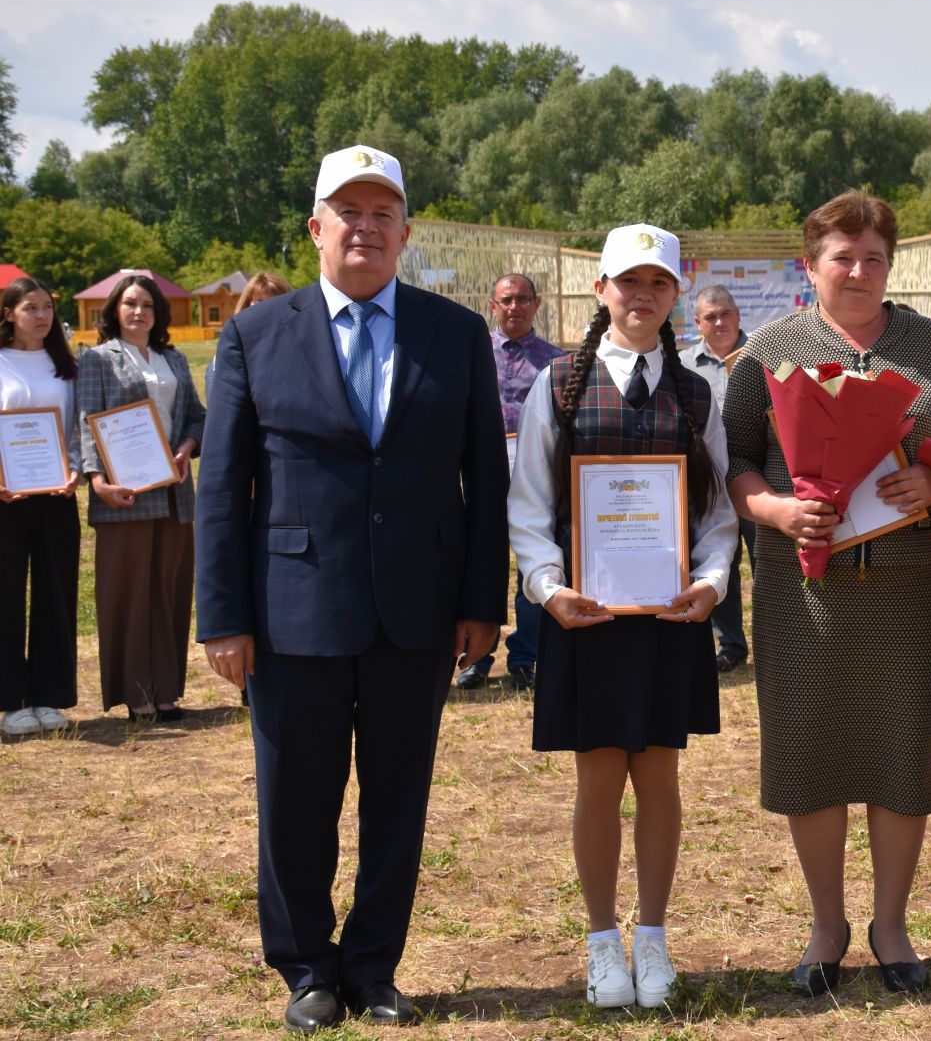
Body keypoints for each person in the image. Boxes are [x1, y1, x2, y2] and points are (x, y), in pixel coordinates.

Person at [196, 144, 509, 1034]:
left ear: (405, 231)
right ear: (316, 228)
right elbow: (222, 488)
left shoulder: (454, 334)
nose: (365, 227)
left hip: (418, 612)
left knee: (397, 799)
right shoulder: (255, 335)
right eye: (349, 211)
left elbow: (483, 477)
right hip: (292, 612)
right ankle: (306, 970)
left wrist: (483, 603)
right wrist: (221, 616)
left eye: (383, 213)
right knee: (293, 801)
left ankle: (373, 967)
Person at [722, 192, 931, 995]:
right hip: (808, 595)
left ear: (891, 264)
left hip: (908, 591)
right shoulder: (768, 351)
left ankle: (892, 924)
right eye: (843, 256)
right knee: (813, 753)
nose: (860, 271)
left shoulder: (930, 345)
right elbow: (733, 464)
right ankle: (827, 925)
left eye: (874, 257)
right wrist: (773, 508)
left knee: (903, 753)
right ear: (811, 266)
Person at [507, 225, 738, 1007]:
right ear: (600, 290)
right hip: (587, 617)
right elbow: (530, 502)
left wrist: (710, 583)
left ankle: (654, 937)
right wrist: (545, 587)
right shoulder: (560, 382)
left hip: (669, 618)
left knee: (662, 778)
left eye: (659, 284)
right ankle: (603, 941)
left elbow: (716, 514)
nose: (642, 297)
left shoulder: (697, 390)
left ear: (676, 294)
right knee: (599, 777)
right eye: (628, 283)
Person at [76, 273, 205, 724]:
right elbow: (86, 420)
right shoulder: (97, 359)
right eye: (129, 303)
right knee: (129, 595)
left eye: (147, 305)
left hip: (173, 493)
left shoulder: (174, 358)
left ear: (158, 313)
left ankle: (166, 691)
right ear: (114, 310)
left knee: (169, 593)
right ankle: (136, 694)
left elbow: (196, 416)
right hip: (123, 495)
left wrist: (187, 448)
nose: (138, 312)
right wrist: (97, 482)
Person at [458, 273, 567, 692]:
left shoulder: (556, 361)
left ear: (536, 304)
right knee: (482, 563)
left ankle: (525, 656)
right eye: (506, 300)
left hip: (536, 467)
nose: (514, 307)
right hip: (482, 467)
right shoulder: (472, 353)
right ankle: (477, 656)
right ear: (492, 305)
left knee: (534, 561)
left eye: (523, 299)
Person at [0, 277, 82, 737]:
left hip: (56, 496)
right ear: (9, 313)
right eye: (31, 308)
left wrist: (73, 470)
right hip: (5, 499)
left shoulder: (66, 366)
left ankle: (49, 696)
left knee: (56, 593)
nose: (42, 315)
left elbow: (76, 430)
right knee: (5, 596)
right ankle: (10, 701)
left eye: (48, 307)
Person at [688, 284, 754, 673]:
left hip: (757, 481)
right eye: (710, 317)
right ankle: (730, 645)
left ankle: (776, 640)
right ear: (698, 323)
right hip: (708, 486)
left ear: (738, 315)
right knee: (719, 565)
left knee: (768, 564)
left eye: (725, 314)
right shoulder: (681, 366)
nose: (718, 323)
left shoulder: (762, 356)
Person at [204, 272, 292, 396]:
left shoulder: (298, 345)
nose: (267, 307)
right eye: (259, 301)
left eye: (275, 300)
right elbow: (216, 398)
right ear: (247, 304)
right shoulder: (232, 347)